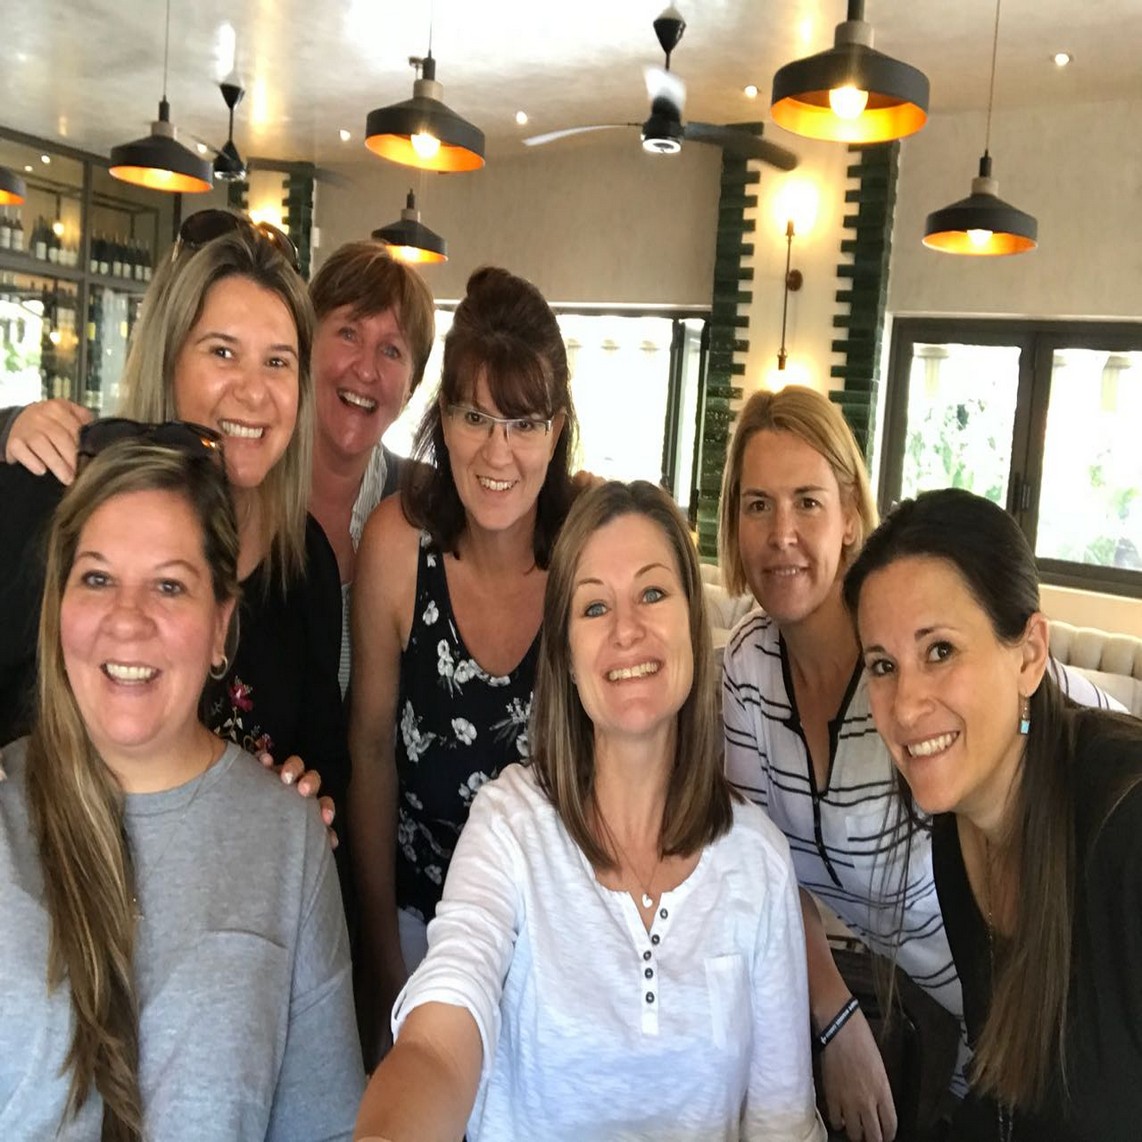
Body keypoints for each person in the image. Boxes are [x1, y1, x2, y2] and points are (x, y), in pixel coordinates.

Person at [353, 479, 825, 1142]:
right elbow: (440, 1036)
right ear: (567, 657)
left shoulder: (757, 859)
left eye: (653, 593)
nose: (627, 629)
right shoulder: (509, 826)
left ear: (694, 625)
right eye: (595, 607)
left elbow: (782, 1122)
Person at [716, 386, 1118, 1142]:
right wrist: (835, 1018)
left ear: (849, 515)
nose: (780, 534)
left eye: (807, 502)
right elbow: (759, 865)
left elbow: (1069, 716)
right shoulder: (747, 669)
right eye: (757, 504)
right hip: (952, 1018)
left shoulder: (926, 678)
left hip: (1050, 1019)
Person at [0, 435, 363, 1138]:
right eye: (97, 579)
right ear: (58, 606)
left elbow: (326, 1128)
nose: (127, 618)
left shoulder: (286, 841)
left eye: (169, 586)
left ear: (221, 624)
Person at [0, 212, 347, 843]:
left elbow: (325, 771)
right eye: (222, 352)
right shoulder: (55, 500)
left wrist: (302, 798)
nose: (253, 393)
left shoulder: (303, 562)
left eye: (278, 362)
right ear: (168, 360)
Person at [844, 487, 1142, 1141]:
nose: (905, 706)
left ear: (1029, 655)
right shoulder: (958, 832)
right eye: (883, 665)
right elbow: (1012, 1097)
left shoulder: (1126, 828)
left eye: (940, 651)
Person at [348, 265, 579, 1061]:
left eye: (524, 423)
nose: (497, 452)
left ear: (557, 428)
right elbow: (371, 753)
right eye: (475, 415)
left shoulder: (588, 553)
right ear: (442, 416)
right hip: (420, 918)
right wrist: (382, 961)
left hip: (558, 935)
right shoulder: (397, 544)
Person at [306, 241, 436, 695]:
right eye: (348, 333)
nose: (366, 370)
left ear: (411, 387)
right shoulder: (248, 485)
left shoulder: (428, 505)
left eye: (392, 351)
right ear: (305, 343)